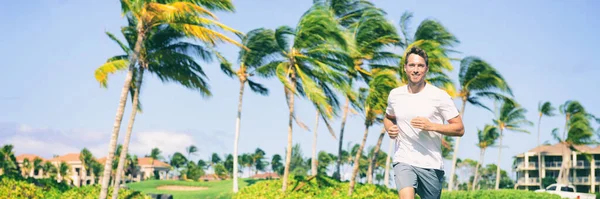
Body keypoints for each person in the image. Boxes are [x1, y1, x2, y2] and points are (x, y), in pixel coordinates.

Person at [384, 46, 464, 199]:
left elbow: (459, 128)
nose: (415, 69)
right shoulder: (395, 95)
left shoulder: (439, 96)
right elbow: (388, 117)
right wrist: (390, 128)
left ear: (426, 69)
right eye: (412, 65)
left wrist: (431, 126)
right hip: (404, 159)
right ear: (405, 68)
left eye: (420, 66)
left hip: (431, 164)